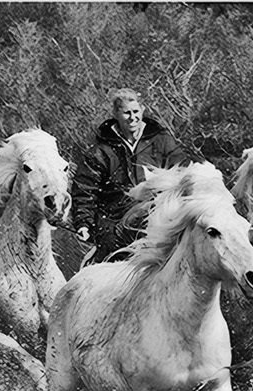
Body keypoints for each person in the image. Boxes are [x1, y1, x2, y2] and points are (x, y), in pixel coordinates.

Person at [71, 88, 196, 263]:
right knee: (109, 254)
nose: (133, 117)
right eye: (126, 113)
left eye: (136, 111)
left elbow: (185, 170)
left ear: (142, 110)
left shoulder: (161, 140)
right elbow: (85, 190)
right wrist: (83, 223)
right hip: (113, 217)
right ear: (115, 114)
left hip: (156, 209)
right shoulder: (100, 150)